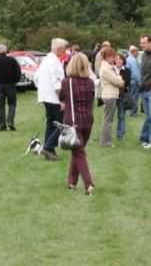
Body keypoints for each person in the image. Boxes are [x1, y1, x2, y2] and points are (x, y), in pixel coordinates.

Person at [60, 53, 95, 195]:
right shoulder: (90, 82)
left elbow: (62, 98)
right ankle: (71, 182)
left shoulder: (66, 82)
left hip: (72, 121)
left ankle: (88, 184)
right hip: (88, 120)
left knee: (79, 152)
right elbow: (91, 99)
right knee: (77, 151)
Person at [34, 38, 68, 161]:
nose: (65, 51)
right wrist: (62, 99)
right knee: (64, 125)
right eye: (64, 49)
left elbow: (36, 78)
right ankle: (48, 147)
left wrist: (43, 90)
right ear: (60, 49)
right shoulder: (55, 62)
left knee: (51, 124)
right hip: (54, 98)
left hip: (45, 97)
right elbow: (56, 83)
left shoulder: (46, 60)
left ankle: (50, 151)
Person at [0, 44, 21, 131]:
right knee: (12, 104)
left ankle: (2, 124)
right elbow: (18, 72)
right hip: (11, 85)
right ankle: (10, 121)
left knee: (0, 105)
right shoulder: (12, 60)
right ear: (6, 51)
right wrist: (15, 81)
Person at [99, 48, 124, 148]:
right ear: (107, 57)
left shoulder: (110, 67)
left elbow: (119, 77)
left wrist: (119, 80)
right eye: (113, 56)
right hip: (109, 95)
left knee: (108, 119)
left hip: (112, 94)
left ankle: (105, 141)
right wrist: (120, 81)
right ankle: (106, 142)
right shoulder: (105, 68)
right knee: (108, 120)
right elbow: (117, 81)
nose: (114, 59)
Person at [115, 53, 130, 141]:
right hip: (112, 95)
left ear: (123, 60)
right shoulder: (111, 69)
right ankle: (106, 134)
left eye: (120, 59)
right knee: (109, 117)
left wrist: (118, 83)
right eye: (116, 59)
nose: (119, 60)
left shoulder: (127, 70)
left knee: (121, 116)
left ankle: (120, 134)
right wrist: (120, 82)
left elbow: (127, 82)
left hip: (122, 95)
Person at [126, 45, 141, 116]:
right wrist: (139, 81)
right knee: (134, 97)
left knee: (131, 96)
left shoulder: (128, 59)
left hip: (130, 81)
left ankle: (131, 111)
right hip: (134, 81)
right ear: (133, 52)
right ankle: (133, 112)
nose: (138, 53)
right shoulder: (133, 60)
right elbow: (135, 73)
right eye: (137, 51)